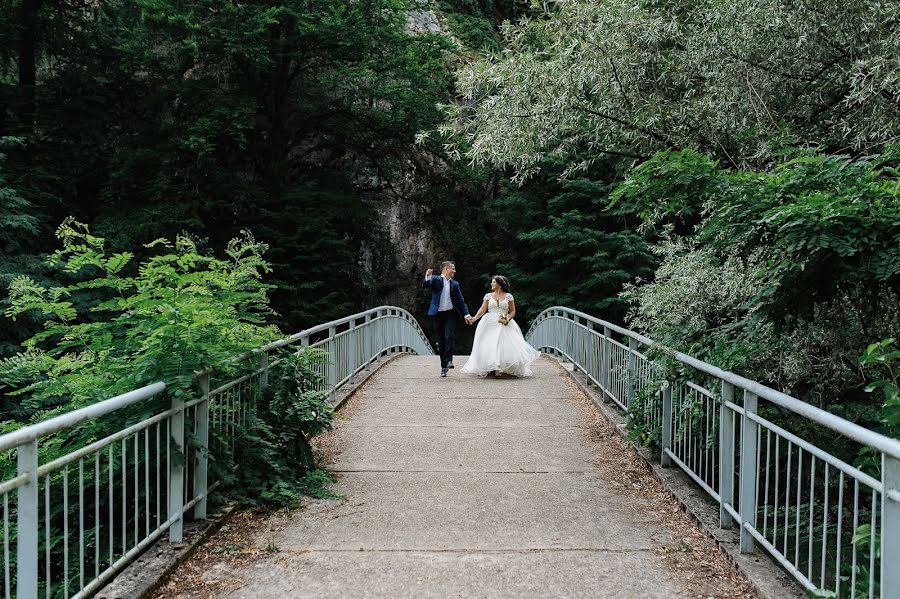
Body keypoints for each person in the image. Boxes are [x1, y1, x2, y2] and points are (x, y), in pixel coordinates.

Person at [461, 275, 540, 377]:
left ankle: (499, 366)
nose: (491, 284)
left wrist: (507, 318)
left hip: (503, 321)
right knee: (489, 343)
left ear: (500, 284)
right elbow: (482, 309)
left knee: (502, 343)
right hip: (489, 322)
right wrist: (475, 318)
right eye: (492, 282)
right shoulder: (488, 296)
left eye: (494, 282)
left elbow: (512, 311)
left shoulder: (508, 296)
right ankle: (491, 366)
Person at [423, 261, 474, 377]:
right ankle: (443, 366)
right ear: (446, 269)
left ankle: (449, 360)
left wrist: (466, 315)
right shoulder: (436, 279)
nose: (454, 271)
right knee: (441, 340)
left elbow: (461, 301)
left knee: (449, 336)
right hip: (438, 314)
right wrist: (428, 276)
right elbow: (427, 285)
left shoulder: (455, 284)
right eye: (453, 269)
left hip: (450, 314)